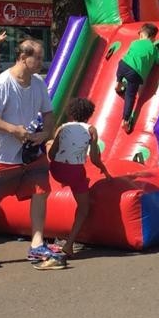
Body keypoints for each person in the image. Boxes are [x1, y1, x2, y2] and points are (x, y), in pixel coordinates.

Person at [0, 39, 63, 270]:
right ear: (23, 58)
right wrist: (13, 129)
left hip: (31, 152)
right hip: (1, 154)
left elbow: (48, 112)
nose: (42, 62)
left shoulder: (38, 83)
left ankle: (37, 242)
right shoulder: (3, 82)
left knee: (41, 191)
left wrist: (46, 133)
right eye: (38, 58)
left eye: (42, 57)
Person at [47, 97, 110, 256]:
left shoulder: (62, 127)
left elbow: (52, 153)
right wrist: (104, 169)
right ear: (89, 114)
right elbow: (95, 158)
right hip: (74, 172)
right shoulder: (91, 130)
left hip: (56, 170)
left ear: (71, 113)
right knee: (84, 207)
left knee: (74, 178)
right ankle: (69, 244)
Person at [116, 23, 159, 133]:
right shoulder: (153, 49)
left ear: (143, 34)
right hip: (135, 73)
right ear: (153, 38)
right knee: (130, 96)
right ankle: (125, 120)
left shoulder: (134, 43)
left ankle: (118, 83)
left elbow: (129, 54)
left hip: (123, 64)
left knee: (121, 69)